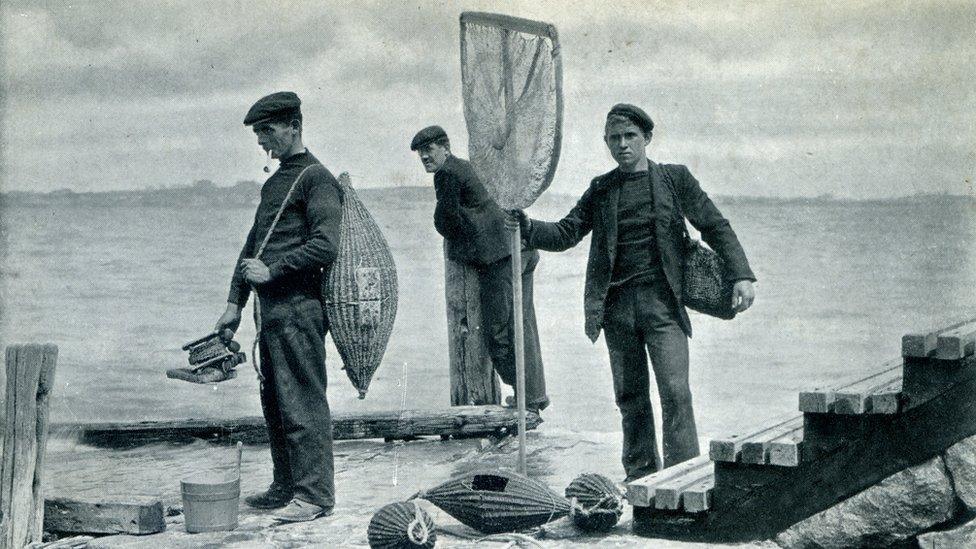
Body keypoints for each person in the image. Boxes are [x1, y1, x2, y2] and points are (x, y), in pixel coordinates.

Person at [512, 104, 756, 482]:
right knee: (631, 399)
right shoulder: (601, 188)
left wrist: (741, 275)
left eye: (630, 137)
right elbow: (566, 233)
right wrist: (527, 227)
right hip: (616, 309)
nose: (622, 145)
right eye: (614, 138)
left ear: (647, 139)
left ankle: (682, 475)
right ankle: (640, 475)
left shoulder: (675, 180)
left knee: (676, 392)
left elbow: (714, 225)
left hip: (663, 306)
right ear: (607, 142)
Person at [215, 91, 341, 522]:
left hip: (300, 308)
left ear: (294, 126)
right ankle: (285, 486)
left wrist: (273, 272)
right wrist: (234, 303)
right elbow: (254, 246)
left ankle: (315, 496)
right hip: (269, 313)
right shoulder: (275, 183)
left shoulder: (317, 179)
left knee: (303, 403)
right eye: (257, 133)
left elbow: (325, 245)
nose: (261, 141)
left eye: (267, 130)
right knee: (275, 402)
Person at [411, 125, 550, 414]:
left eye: (430, 149)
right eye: (420, 153)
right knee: (523, 326)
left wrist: (454, 228)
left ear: (445, 148)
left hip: (501, 257)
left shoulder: (447, 173)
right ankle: (534, 396)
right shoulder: (466, 166)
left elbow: (446, 222)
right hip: (521, 247)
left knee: (497, 332)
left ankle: (525, 395)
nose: (425, 156)